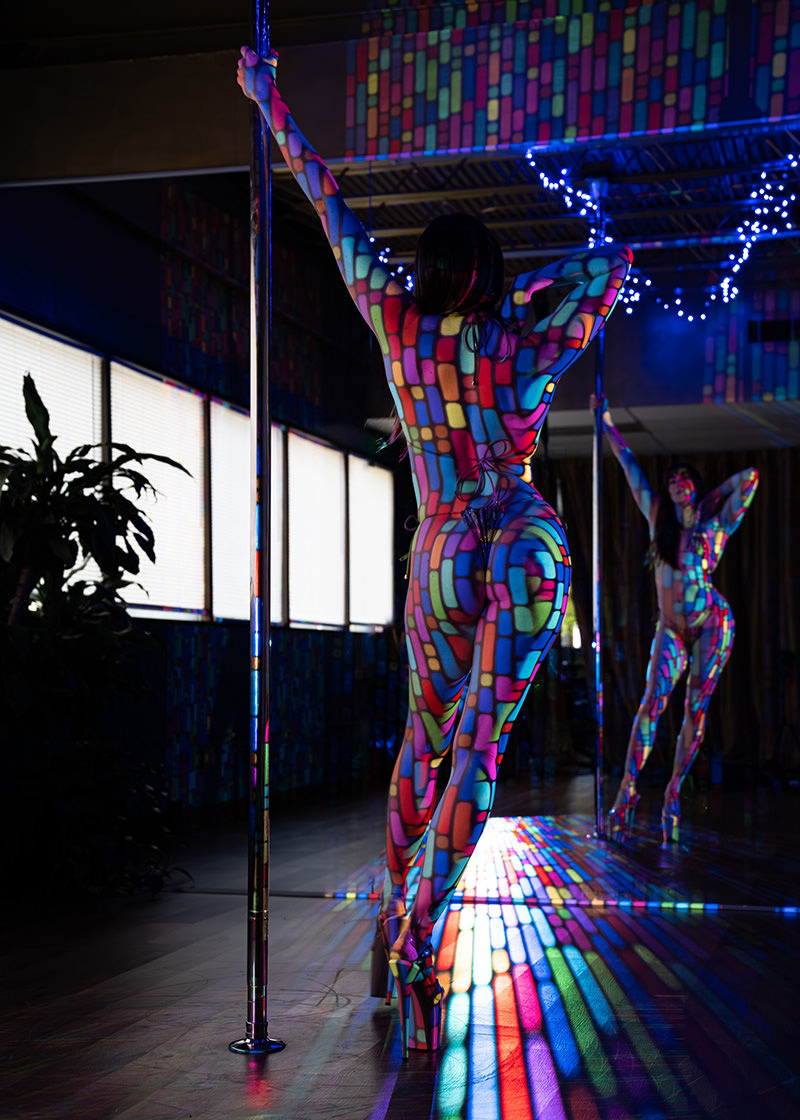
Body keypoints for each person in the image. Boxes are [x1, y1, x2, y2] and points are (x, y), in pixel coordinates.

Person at [238, 46, 631, 1057]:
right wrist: (533, 285)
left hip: (444, 546)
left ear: (425, 268)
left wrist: (269, 95)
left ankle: (396, 937)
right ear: (491, 277)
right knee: (478, 748)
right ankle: (420, 923)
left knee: (424, 742)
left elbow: (326, 205)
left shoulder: (399, 330)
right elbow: (609, 266)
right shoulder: (522, 349)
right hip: (516, 537)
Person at [594, 396, 758, 845]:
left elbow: (750, 478)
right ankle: (626, 792)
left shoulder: (714, 527)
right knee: (651, 704)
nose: (677, 483)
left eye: (686, 478)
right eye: (672, 479)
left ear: (697, 487)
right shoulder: (657, 520)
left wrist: (709, 500)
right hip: (671, 629)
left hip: (710, 624)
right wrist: (606, 422)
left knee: (694, 708)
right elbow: (629, 469)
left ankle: (672, 795)